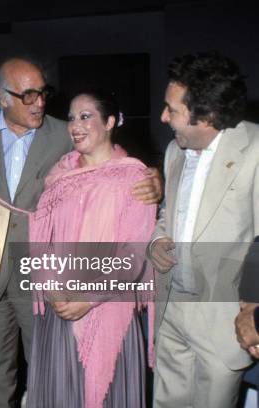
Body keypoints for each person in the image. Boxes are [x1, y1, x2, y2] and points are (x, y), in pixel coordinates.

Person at [0, 57, 162, 407]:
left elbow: (108, 161)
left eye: (42, 92)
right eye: (27, 95)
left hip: (44, 283)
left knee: (50, 378)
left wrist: (154, 178)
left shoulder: (65, 133)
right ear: (1, 96)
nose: (39, 102)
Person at [26, 90, 156, 408]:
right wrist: (54, 290)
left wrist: (87, 299)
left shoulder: (133, 177)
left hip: (107, 307)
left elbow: (135, 253)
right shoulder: (60, 174)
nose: (75, 125)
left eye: (86, 116)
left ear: (110, 122)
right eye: (71, 117)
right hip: (59, 310)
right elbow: (44, 239)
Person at [148, 52, 259, 408]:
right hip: (172, 308)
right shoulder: (174, 151)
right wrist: (156, 240)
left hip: (223, 317)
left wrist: (253, 309)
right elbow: (168, 213)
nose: (163, 117)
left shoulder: (255, 150)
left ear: (207, 116)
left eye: (172, 110)